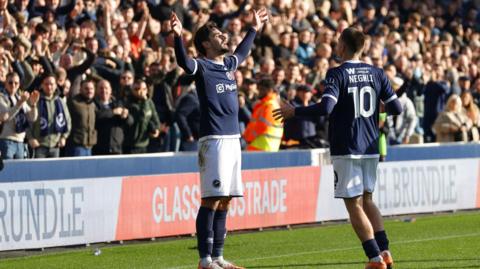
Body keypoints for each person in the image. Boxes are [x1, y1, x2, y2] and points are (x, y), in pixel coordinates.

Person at [274, 27, 402, 269]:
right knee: (368, 199)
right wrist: (375, 108)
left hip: (347, 145)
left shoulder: (336, 74)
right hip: (371, 146)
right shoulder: (377, 72)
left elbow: (326, 108)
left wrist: (295, 111)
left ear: (342, 46)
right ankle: (385, 251)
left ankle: (374, 258)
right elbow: (397, 108)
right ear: (362, 48)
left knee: (353, 203)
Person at [171, 8, 268, 269]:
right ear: (205, 43)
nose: (224, 37)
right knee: (211, 199)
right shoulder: (201, 66)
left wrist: (254, 28)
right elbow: (183, 62)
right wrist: (178, 37)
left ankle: (219, 257)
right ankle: (204, 259)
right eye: (217, 35)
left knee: (226, 199)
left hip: (233, 139)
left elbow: (243, 52)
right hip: (213, 141)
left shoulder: (227, 65)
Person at [28, 74, 71, 158]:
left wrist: (64, 137)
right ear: (42, 86)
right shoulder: (36, 100)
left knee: (55, 171)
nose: (49, 87)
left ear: (55, 86)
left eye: (51, 84)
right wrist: (30, 138)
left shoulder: (60, 101)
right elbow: (28, 121)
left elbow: (68, 121)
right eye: (46, 84)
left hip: (55, 145)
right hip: (39, 145)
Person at [0, 72, 39, 159]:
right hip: (6, 140)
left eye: (16, 83)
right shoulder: (2, 97)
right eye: (10, 82)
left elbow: (32, 118)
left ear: (19, 84)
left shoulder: (19, 98)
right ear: (5, 83)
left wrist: (33, 105)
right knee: (7, 170)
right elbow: (5, 117)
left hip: (20, 141)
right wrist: (20, 103)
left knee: (20, 169)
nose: (13, 85)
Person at [243, 77, 283, 151]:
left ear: (269, 90)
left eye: (261, 89)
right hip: (260, 147)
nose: (258, 92)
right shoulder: (265, 105)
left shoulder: (270, 105)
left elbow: (262, 126)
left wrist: (248, 138)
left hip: (264, 147)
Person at [66, 79, 97, 156]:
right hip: (76, 146)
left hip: (89, 146)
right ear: (80, 89)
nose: (89, 91)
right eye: (86, 88)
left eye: (91, 89)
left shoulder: (93, 104)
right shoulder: (74, 102)